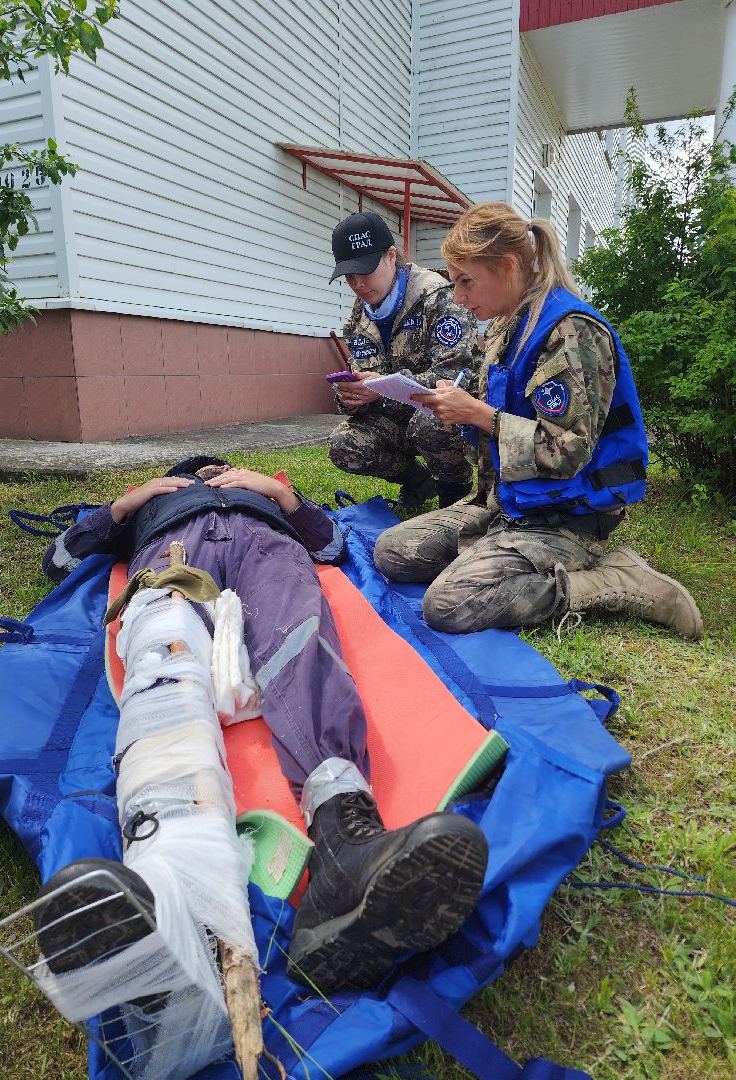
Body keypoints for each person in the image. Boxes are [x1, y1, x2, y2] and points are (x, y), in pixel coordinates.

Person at [36, 456, 488, 995]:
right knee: (163, 654)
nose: (211, 471)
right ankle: (166, 873)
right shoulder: (152, 503)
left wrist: (282, 498)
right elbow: (59, 559)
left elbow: (331, 547)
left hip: (266, 548)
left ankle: (344, 846)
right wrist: (124, 506)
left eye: (221, 467)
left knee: (299, 644)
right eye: (199, 470)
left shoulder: (265, 497)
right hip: (174, 551)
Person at [373, 202, 703, 640]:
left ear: (508, 267)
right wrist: (461, 411)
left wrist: (480, 414)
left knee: (447, 604)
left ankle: (618, 579)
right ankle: (494, 556)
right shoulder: (507, 327)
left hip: (566, 518)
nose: (459, 298)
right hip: (511, 506)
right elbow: (498, 430)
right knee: (391, 553)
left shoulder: (571, 332)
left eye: (466, 281)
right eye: (454, 283)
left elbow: (567, 452)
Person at [327, 210, 481, 509]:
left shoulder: (438, 297)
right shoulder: (359, 319)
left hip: (445, 415)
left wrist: (382, 386)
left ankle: (455, 495)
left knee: (430, 422)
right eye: (349, 277)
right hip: (396, 419)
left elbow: (458, 376)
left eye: (365, 272)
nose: (358, 284)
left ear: (391, 256)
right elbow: (365, 377)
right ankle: (418, 482)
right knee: (344, 444)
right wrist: (352, 396)